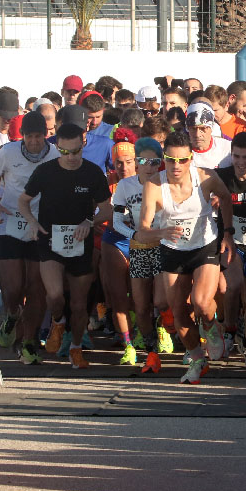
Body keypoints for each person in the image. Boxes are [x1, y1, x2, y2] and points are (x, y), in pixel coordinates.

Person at [135, 131, 236, 384]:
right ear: (163, 160)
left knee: (201, 303)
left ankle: (212, 327)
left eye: (182, 160)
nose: (176, 166)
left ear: (191, 159)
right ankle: (197, 359)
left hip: (203, 246)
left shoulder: (206, 177)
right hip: (172, 250)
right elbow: (142, 231)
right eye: (170, 160)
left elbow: (225, 198)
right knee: (178, 313)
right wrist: (161, 232)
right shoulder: (154, 186)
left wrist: (227, 233)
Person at [19, 123, 113, 369]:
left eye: (76, 152)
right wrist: (31, 221)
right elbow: (23, 200)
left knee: (80, 304)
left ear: (83, 145)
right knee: (55, 295)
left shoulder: (93, 173)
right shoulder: (45, 171)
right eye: (65, 152)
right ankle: (58, 322)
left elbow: (107, 209)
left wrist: (89, 221)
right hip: (50, 241)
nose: (71, 157)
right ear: (57, 148)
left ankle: (76, 349)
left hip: (81, 243)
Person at [0, 111, 59, 364]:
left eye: (39, 136)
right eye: (29, 137)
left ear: (46, 135)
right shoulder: (8, 152)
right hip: (11, 221)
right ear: (22, 136)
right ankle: (12, 316)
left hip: (40, 225)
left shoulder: (56, 154)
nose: (34, 142)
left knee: (36, 288)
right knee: (14, 287)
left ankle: (29, 341)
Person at [116, 138, 172, 373]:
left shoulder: (166, 184)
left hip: (162, 247)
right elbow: (117, 220)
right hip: (138, 249)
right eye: (143, 161)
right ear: (136, 162)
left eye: (154, 161)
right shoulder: (125, 186)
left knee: (160, 300)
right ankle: (150, 350)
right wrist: (134, 233)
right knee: (140, 306)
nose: (149, 166)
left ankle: (165, 325)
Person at [216, 132, 246, 368]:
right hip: (232, 240)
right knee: (233, 287)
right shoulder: (222, 176)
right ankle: (229, 331)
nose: (241, 162)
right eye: (236, 156)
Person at [99, 141, 139, 365]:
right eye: (119, 163)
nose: (124, 167)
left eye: (129, 162)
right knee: (118, 295)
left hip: (140, 242)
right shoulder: (108, 184)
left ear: (136, 162)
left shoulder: (146, 181)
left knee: (140, 295)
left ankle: (144, 334)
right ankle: (128, 344)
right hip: (115, 240)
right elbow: (99, 211)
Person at [185, 102, 232, 169]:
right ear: (187, 129)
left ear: (211, 128)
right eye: (193, 129)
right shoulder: (181, 152)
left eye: (203, 128)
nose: (198, 134)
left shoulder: (228, 149)